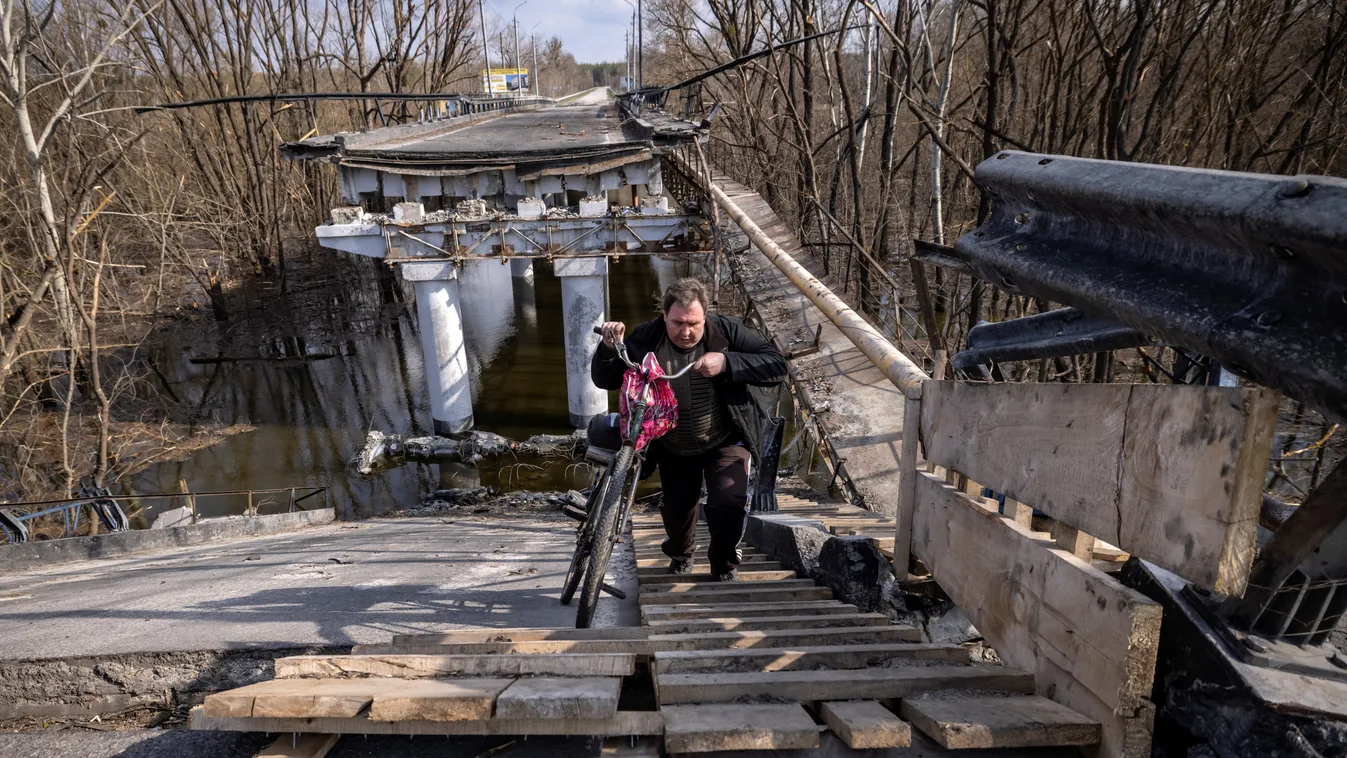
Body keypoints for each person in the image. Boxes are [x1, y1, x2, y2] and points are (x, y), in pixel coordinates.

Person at [591, 278, 787, 581]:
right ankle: (681, 554)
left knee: (728, 504)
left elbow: (776, 367)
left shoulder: (727, 332)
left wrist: (727, 362)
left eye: (693, 323)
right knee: (678, 512)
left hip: (725, 437)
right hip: (673, 444)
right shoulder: (647, 337)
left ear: (705, 316)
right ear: (665, 317)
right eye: (678, 323)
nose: (686, 332)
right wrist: (607, 348)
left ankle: (723, 565)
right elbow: (605, 379)